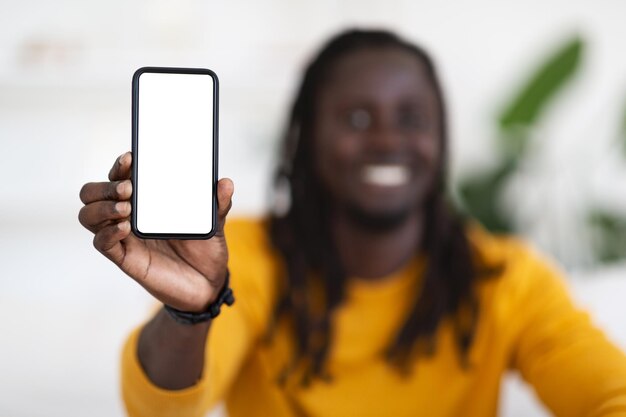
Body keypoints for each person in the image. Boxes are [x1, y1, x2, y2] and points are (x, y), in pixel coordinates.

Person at [78, 29, 626, 417]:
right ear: (305, 139)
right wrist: (189, 312)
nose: (387, 140)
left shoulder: (507, 276)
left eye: (411, 118)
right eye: (357, 118)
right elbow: (159, 409)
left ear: (439, 141)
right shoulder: (241, 256)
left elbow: (609, 394)